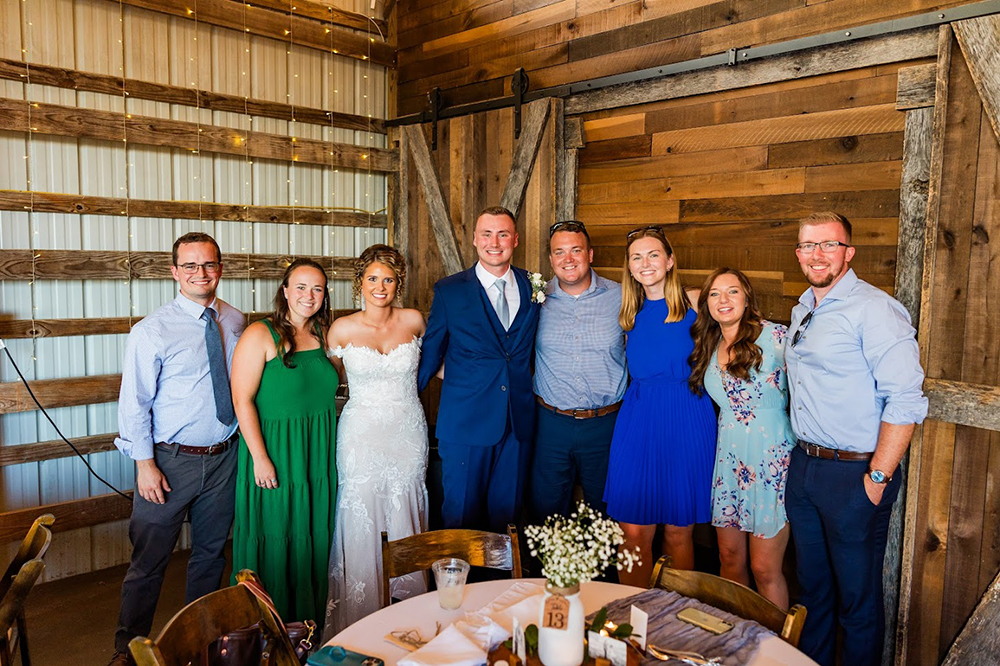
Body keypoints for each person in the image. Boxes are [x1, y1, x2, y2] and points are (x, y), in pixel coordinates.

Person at [784, 212, 927, 666]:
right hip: (806, 466)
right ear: (799, 254)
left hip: (856, 473)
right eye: (808, 245)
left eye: (829, 244)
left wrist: (878, 476)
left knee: (857, 602)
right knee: (813, 592)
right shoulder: (804, 305)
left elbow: (904, 399)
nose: (817, 254)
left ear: (849, 252)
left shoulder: (875, 308)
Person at [109, 232, 245, 666]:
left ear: (220, 269)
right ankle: (128, 649)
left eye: (208, 265)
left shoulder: (236, 320)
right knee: (148, 562)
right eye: (190, 266)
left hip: (224, 456)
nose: (200, 274)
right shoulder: (152, 331)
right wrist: (144, 465)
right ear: (174, 272)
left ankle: (198, 646)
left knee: (209, 557)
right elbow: (134, 404)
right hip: (168, 461)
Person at [322, 244, 428, 639]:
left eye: (388, 279)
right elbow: (335, 377)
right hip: (361, 434)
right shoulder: (341, 329)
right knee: (361, 513)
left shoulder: (415, 321)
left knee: (406, 508)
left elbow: (435, 368)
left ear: (398, 282)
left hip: (407, 432)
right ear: (359, 283)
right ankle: (362, 621)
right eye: (372, 279)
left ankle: (410, 622)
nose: (380, 286)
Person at [603, 226, 716, 587]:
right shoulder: (626, 312)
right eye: (637, 257)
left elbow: (745, 329)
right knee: (632, 530)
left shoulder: (697, 302)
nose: (645, 263)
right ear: (630, 267)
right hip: (638, 419)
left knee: (678, 533)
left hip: (687, 417)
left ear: (670, 261)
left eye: (653, 254)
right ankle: (630, 616)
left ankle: (673, 618)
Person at [417, 206, 540, 532]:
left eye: (502, 234)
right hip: (466, 425)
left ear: (515, 239)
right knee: (462, 519)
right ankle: (458, 586)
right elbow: (431, 353)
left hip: (517, 425)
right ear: (474, 239)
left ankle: (500, 585)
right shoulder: (450, 290)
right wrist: (405, 401)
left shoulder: (533, 286)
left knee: (507, 521)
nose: (494, 242)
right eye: (486, 234)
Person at [229, 258, 339, 623]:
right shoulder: (260, 334)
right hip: (275, 450)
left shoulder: (325, 335)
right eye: (302, 287)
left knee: (312, 533)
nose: (310, 295)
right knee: (276, 532)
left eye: (318, 288)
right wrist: (260, 457)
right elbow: (241, 400)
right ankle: (268, 631)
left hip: (317, 452)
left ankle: (308, 629)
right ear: (285, 290)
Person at [688, 268, 795, 609]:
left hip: (771, 464)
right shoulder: (710, 343)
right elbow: (689, 294)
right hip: (731, 462)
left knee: (765, 568)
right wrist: (704, 298)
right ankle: (740, 643)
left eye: (733, 292)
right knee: (729, 558)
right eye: (715, 294)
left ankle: (776, 654)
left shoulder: (777, 338)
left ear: (748, 298)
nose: (724, 300)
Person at [530, 220, 626, 523]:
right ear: (550, 259)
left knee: (607, 516)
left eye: (576, 250)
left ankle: (602, 573)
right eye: (559, 252)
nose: (567, 259)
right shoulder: (534, 299)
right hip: (550, 424)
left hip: (606, 424)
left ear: (591, 254)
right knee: (546, 515)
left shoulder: (622, 297)